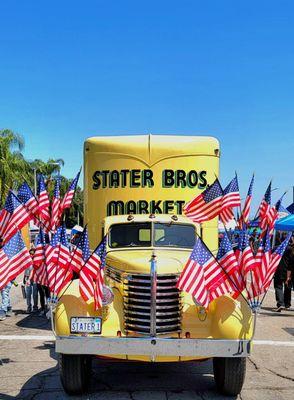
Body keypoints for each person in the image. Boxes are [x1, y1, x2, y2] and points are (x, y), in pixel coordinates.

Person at [273, 236, 294, 312]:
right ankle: (287, 304)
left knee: (278, 287)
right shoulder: (290, 249)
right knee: (288, 287)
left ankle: (280, 303)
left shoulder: (275, 248)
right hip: (288, 270)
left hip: (278, 270)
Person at [24, 249, 38, 313]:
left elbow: (33, 271)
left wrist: (29, 279)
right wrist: (24, 278)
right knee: (28, 294)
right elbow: (26, 270)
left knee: (35, 294)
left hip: (34, 279)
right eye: (30, 253)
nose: (31, 255)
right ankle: (29, 307)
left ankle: (35, 307)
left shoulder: (36, 261)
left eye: (32, 254)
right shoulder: (27, 261)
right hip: (27, 278)